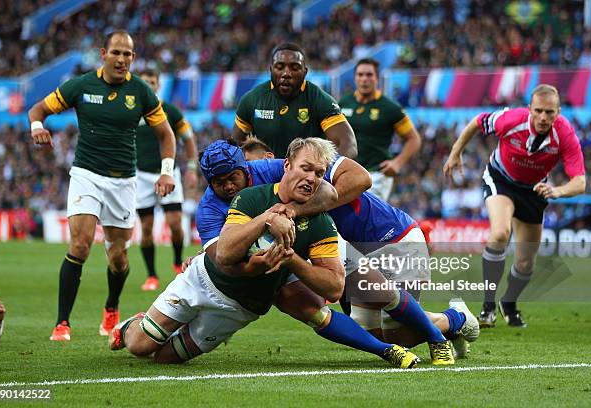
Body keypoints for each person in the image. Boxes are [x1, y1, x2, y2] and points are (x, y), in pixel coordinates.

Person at [110, 138, 419, 368]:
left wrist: (292, 215)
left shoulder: (279, 175)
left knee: (165, 358)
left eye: (233, 178)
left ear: (247, 168)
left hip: (243, 302)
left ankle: (421, 336)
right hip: (208, 281)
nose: (228, 187)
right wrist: (265, 230)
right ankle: (131, 326)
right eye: (219, 183)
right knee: (140, 347)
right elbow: (223, 260)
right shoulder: (217, 207)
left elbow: (333, 191)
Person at [242, 142, 476, 364]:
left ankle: (456, 318)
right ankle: (449, 324)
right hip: (357, 253)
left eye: (252, 167)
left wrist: (295, 210)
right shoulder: (271, 194)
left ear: (271, 160)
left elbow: (362, 179)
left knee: (399, 332)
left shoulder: (312, 167)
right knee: (383, 336)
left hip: (394, 239)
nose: (249, 175)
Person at [28, 30, 177, 341]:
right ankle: (62, 323)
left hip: (124, 182)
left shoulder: (141, 92)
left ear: (133, 58)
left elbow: (167, 135)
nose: (122, 59)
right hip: (87, 174)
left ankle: (111, 308)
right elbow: (37, 109)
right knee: (80, 245)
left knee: (119, 257)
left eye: (128, 54)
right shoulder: (81, 85)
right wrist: (37, 126)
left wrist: (166, 172)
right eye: (116, 53)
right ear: (103, 54)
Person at [444, 84, 586, 328]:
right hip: (500, 179)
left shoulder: (565, 134)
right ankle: (488, 306)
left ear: (558, 112)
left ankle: (508, 303)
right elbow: (478, 121)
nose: (543, 117)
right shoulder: (511, 119)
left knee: (525, 263)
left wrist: (557, 191)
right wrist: (456, 152)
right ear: (529, 108)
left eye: (550, 112)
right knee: (500, 234)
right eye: (538, 110)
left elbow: (580, 182)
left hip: (535, 190)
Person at [232, 42, 357, 159]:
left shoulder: (320, 100)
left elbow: (348, 143)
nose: (286, 73)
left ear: (305, 72)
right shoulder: (251, 100)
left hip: (307, 177)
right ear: (271, 70)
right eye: (279, 67)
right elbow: (235, 146)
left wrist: (330, 173)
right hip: (267, 175)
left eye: (294, 67)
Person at [136, 69, 198, 291]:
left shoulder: (170, 111)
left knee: (175, 223)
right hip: (141, 176)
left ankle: (176, 261)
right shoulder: (132, 111)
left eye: (152, 81)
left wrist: (191, 168)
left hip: (169, 173)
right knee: (146, 227)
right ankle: (151, 275)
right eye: (144, 81)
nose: (148, 85)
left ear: (157, 85)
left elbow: (188, 139)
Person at [338, 58, 421, 202]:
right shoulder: (343, 103)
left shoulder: (390, 108)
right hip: (348, 172)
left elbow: (414, 139)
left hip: (376, 175)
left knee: (365, 217)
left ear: (377, 78)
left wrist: (397, 163)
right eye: (360, 75)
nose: (364, 79)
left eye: (369, 75)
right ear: (355, 78)